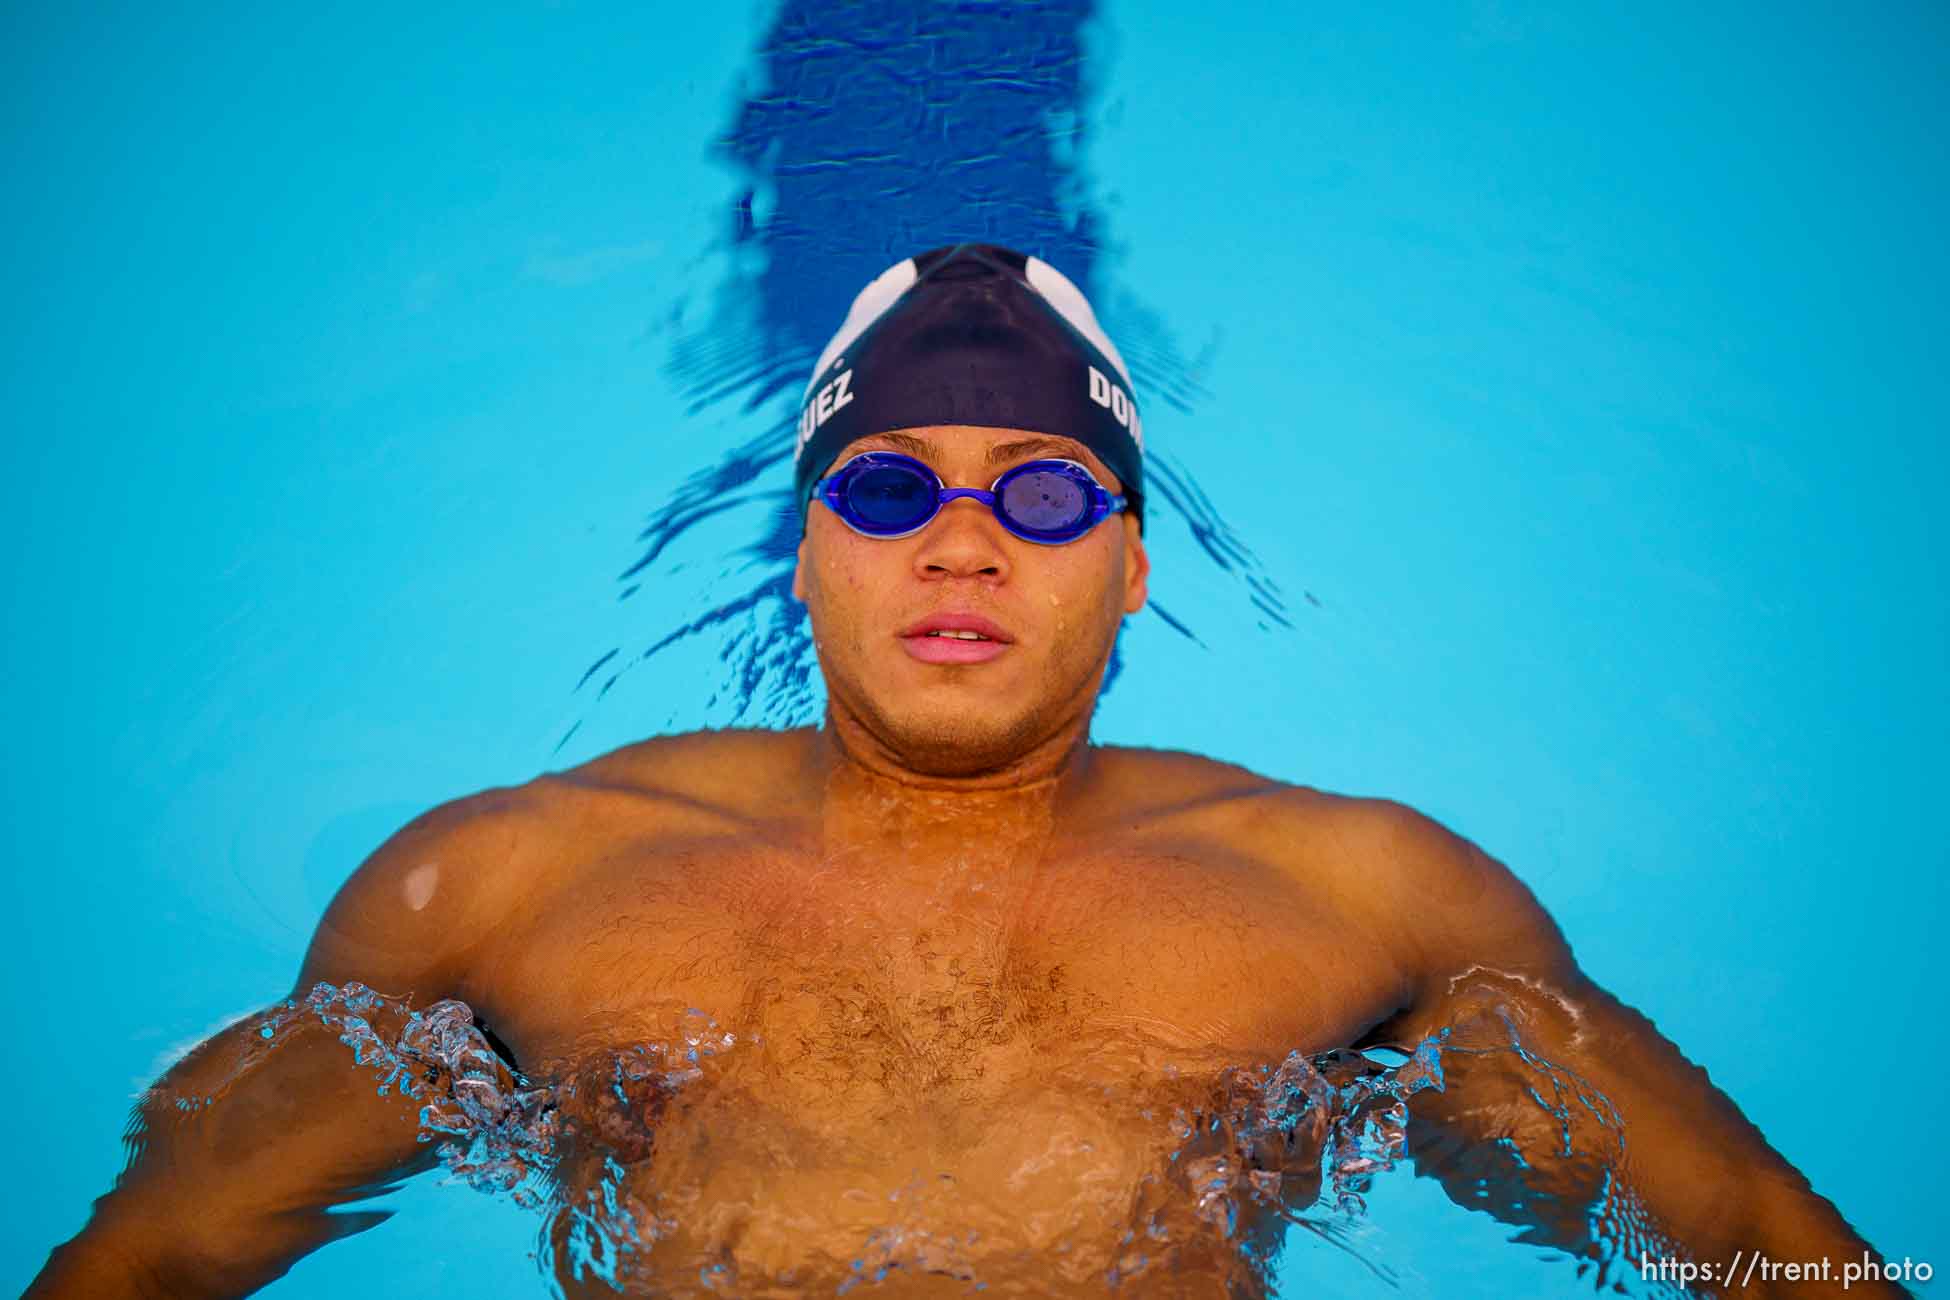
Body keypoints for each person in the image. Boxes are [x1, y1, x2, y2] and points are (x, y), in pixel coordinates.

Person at [31, 244, 1901, 1299]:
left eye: (1041, 492)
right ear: (807, 549)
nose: (961, 544)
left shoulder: (1370, 896)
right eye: (888, 486)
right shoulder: (503, 883)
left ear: (1132, 566)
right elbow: (174, 1245)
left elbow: (1745, 1241)